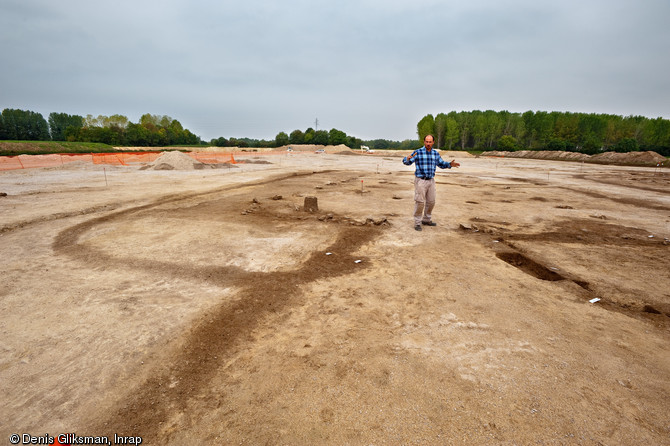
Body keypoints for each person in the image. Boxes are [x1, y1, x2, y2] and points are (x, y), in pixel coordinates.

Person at [402, 134, 460, 231]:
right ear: (424, 142)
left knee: (431, 201)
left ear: (433, 142)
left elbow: (441, 164)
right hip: (421, 180)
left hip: (431, 181)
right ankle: (417, 222)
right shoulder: (418, 152)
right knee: (420, 202)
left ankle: (426, 219)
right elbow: (407, 162)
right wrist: (407, 159)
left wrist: (449, 164)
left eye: (430, 142)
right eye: (427, 142)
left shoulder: (435, 153)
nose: (428, 144)